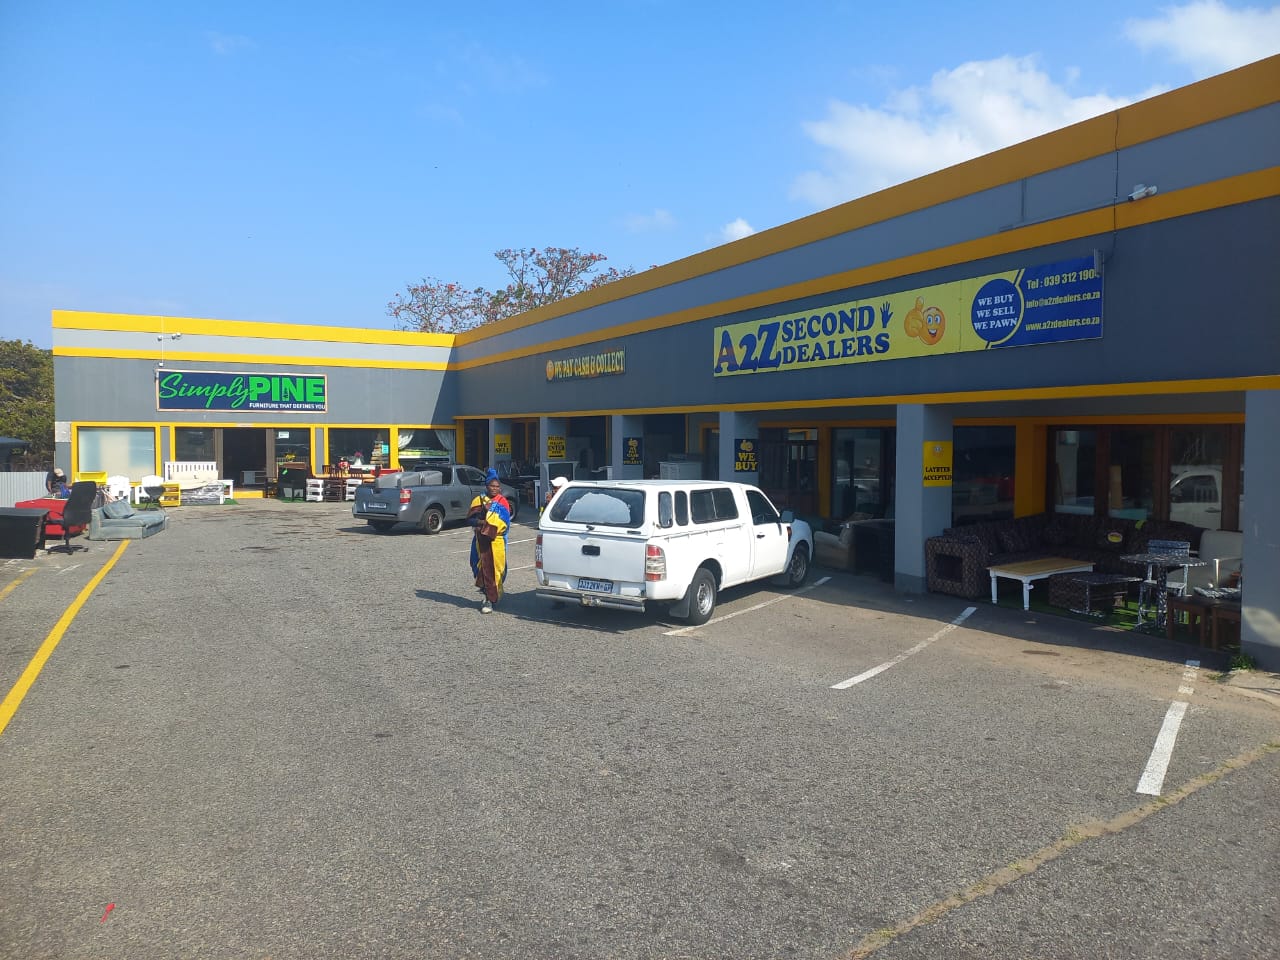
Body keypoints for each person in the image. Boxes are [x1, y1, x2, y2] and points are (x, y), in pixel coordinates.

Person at [466, 469, 513, 613]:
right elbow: (470, 520)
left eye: (497, 486)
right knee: (480, 567)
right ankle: (488, 595)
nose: (495, 489)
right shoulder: (478, 500)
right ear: (487, 486)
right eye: (492, 486)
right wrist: (482, 520)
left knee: (497, 569)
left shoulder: (503, 502)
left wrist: (492, 527)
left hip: (497, 541)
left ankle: (490, 598)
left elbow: (505, 523)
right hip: (481, 542)